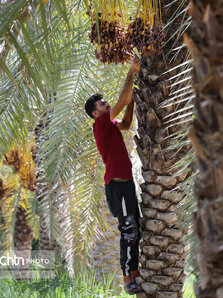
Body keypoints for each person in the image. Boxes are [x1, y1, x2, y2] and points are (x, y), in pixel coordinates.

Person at [84, 57, 144, 295]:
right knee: (128, 230)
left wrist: (134, 100)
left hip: (126, 184)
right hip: (116, 186)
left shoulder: (111, 125)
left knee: (135, 229)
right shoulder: (100, 126)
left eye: (104, 101)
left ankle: (136, 273)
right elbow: (121, 100)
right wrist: (131, 73)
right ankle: (126, 278)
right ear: (95, 112)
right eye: (102, 103)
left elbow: (127, 123)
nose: (106, 104)